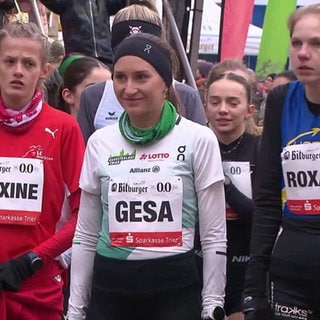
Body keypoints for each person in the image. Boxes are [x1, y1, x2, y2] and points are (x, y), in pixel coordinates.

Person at [67, 33, 227, 320]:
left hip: (174, 289)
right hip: (110, 290)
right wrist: (75, 311)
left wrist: (212, 304)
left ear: (165, 82)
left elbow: (214, 234)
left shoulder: (198, 138)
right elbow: (86, 233)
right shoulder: (100, 141)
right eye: (120, 77)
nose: (129, 88)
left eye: (142, 77)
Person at [0, 21, 85, 320]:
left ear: (44, 71)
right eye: (9, 61)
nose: (18, 70)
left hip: (38, 287)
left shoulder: (64, 128)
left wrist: (35, 259)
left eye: (28, 63)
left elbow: (83, 213)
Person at [242, 4, 320, 320]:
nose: (303, 53)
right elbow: (267, 198)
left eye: (317, 44)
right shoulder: (280, 99)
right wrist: (252, 287)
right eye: (296, 42)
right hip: (291, 266)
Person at [77, 3, 207, 144]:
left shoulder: (187, 96)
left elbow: (200, 148)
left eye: (142, 76)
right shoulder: (94, 96)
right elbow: (84, 156)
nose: (130, 89)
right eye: (125, 48)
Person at [204, 68, 260, 320]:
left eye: (232, 103)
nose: (222, 109)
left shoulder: (260, 148)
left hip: (246, 262)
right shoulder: (197, 147)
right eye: (215, 102)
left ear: (249, 110)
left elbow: (261, 216)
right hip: (201, 263)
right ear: (206, 107)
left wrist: (223, 185)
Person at [39, 0, 128, 67]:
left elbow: (120, 3)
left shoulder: (103, 2)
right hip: (78, 58)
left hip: (105, 56)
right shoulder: (66, 2)